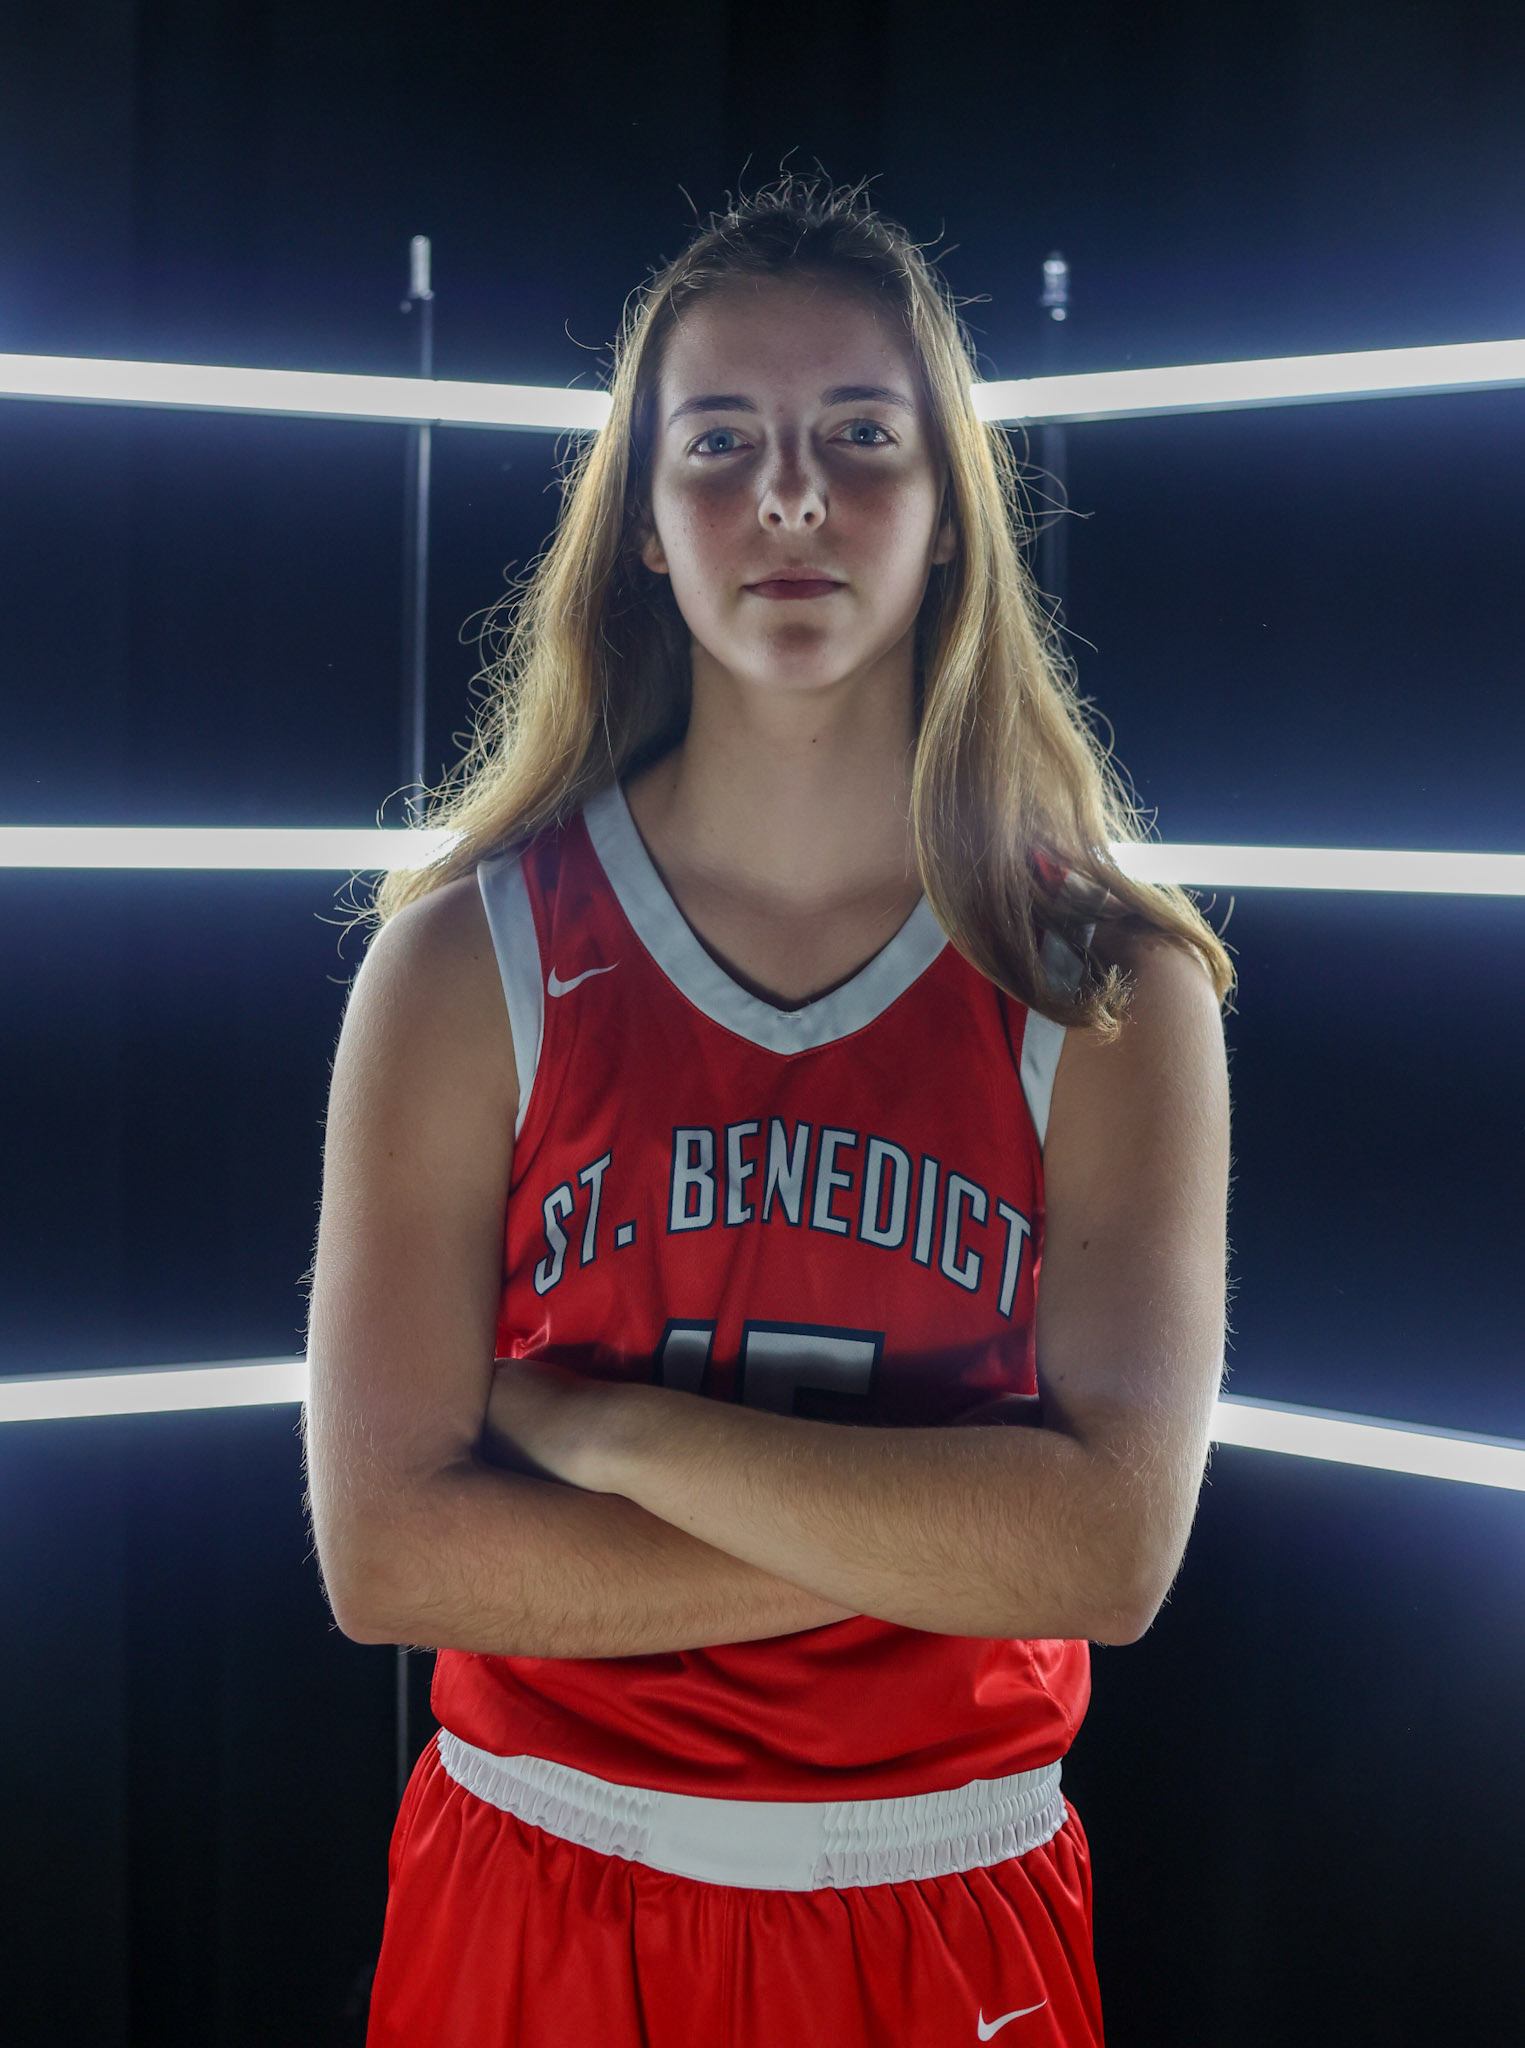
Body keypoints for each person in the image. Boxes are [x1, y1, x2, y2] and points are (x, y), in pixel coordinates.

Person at [302, 172, 1232, 2048]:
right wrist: (942, 1541)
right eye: (718, 443)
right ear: (640, 526)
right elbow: (387, 1556)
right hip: (538, 1869)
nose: (788, 497)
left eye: (858, 438)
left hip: (938, 1891)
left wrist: (598, 1429)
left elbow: (1107, 1561)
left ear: (951, 507)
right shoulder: (463, 965)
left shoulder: (1104, 985)